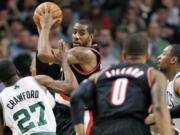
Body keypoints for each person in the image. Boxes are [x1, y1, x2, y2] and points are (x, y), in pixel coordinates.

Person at [71, 34, 172, 135]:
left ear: (123, 55)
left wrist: (80, 133)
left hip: (102, 129)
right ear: (146, 55)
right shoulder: (153, 75)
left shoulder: (100, 74)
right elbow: (159, 108)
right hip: (133, 129)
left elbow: (76, 96)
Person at [36, 7, 101, 135]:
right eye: (74, 32)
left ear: (91, 37)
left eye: (82, 33)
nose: (76, 36)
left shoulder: (85, 53)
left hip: (78, 114)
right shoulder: (71, 53)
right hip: (61, 109)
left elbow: (43, 54)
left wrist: (45, 27)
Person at [0, 43, 78, 135]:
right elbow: (71, 87)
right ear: (17, 71)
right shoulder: (38, 81)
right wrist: (64, 60)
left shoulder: (1, 99)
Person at [145, 44, 180, 134]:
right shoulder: (166, 83)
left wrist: (159, 115)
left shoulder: (178, 80)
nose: (159, 57)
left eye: (164, 54)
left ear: (173, 60)